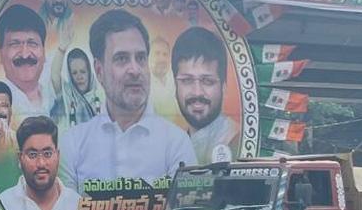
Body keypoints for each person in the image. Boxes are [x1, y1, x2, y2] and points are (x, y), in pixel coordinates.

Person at [60, 11, 195, 190]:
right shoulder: (72, 145)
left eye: (140, 58)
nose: (135, 70)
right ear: (99, 71)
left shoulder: (176, 143)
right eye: (121, 59)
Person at [0, 116, 83, 210]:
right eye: (32, 155)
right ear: (20, 158)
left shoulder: (77, 205)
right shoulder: (3, 206)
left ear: (58, 156)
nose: (41, 163)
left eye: (47, 153)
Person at [172, 28, 236, 164]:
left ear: (224, 86)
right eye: (187, 80)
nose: (197, 92)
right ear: (175, 86)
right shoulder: (176, 143)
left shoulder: (236, 140)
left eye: (207, 81)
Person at [0, 4, 56, 122]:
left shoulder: (52, 96)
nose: (25, 55)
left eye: (32, 43)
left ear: (44, 52)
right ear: (1, 54)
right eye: (15, 44)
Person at [62, 48, 100, 126]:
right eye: (74, 73)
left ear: (89, 72)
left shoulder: (101, 99)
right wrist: (61, 49)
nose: (79, 77)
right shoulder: (67, 97)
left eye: (83, 72)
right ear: (70, 76)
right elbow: (55, 77)